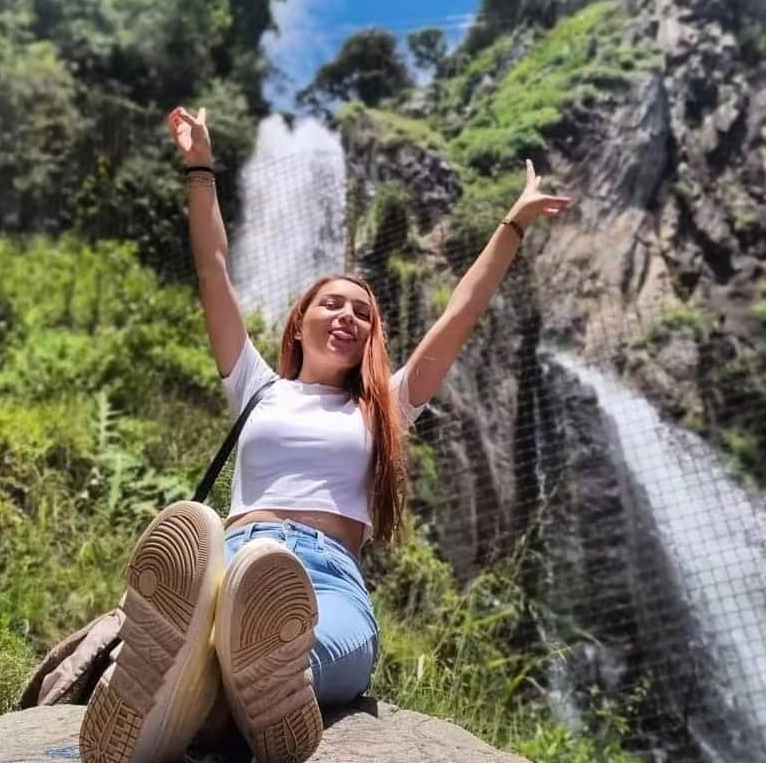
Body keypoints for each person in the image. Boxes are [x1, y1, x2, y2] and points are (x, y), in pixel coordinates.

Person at [79, 106, 571, 763]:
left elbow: (461, 312)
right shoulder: (256, 386)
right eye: (331, 303)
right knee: (239, 618)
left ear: (373, 335)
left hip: (325, 581)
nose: (347, 317)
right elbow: (214, 269)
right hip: (230, 561)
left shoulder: (387, 404)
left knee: (283, 655)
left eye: (363, 312)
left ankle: (199, 692)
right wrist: (200, 166)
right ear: (299, 321)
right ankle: (214, 678)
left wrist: (513, 223)